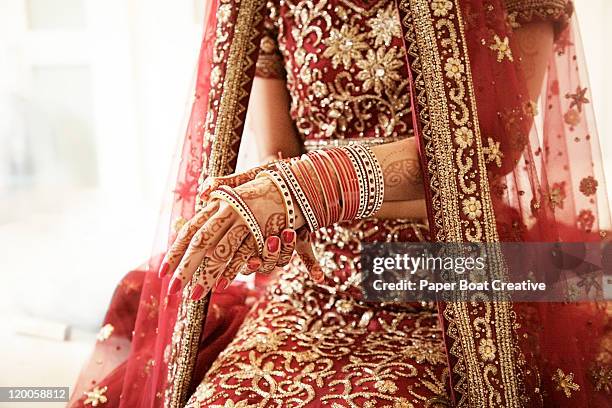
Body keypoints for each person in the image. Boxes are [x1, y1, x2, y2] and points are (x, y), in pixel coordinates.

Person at [70, 0, 611, 407]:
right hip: (320, 278)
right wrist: (274, 215)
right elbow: (280, 156)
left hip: (457, 270)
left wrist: (308, 189)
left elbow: (488, 151)